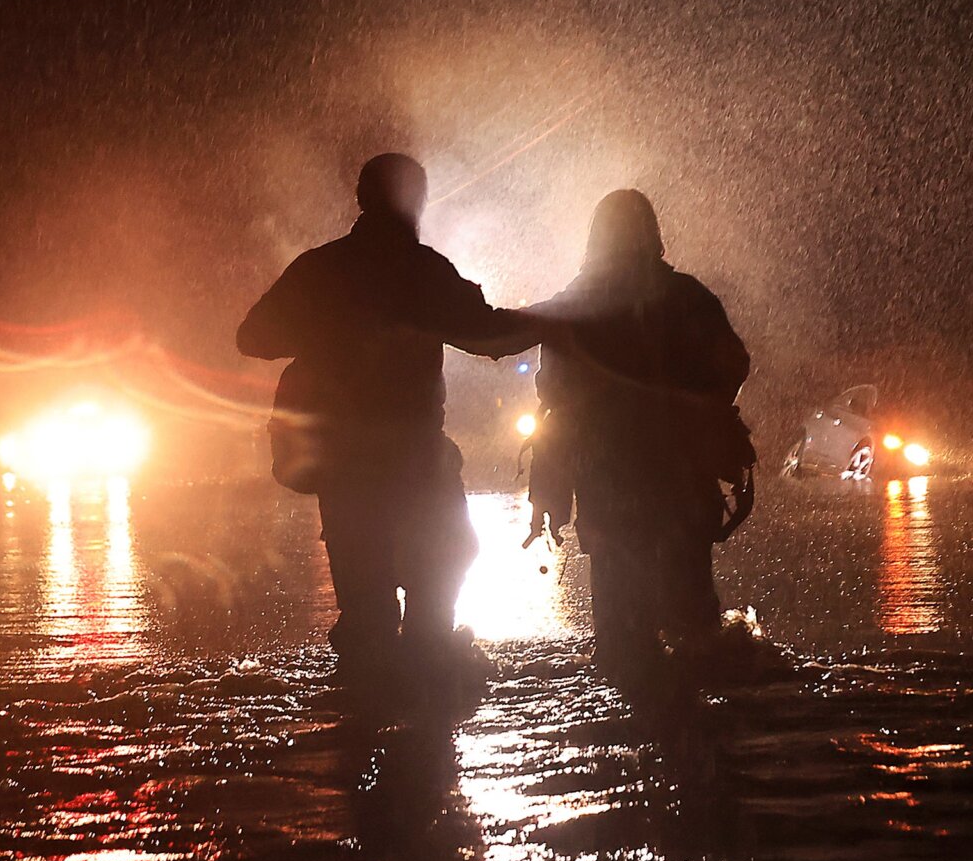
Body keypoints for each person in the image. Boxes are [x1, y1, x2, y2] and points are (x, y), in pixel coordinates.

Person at [238, 153, 532, 675]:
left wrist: (323, 327)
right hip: (416, 459)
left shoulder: (320, 269)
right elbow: (489, 336)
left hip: (344, 465)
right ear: (417, 202)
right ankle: (427, 703)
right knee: (440, 576)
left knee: (365, 603)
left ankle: (364, 720)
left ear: (361, 200)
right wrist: (562, 321)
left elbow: (252, 337)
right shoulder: (423, 271)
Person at [524, 190, 753, 675]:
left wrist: (548, 493)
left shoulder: (576, 305)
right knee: (697, 627)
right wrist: (702, 411)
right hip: (682, 480)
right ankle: (700, 731)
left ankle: (631, 724)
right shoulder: (690, 298)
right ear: (653, 232)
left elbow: (556, 405)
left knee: (622, 641)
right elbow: (735, 364)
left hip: (608, 484)